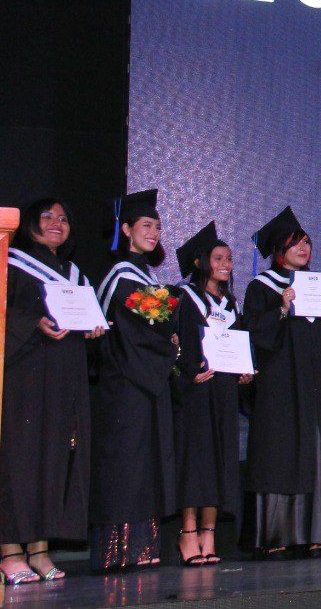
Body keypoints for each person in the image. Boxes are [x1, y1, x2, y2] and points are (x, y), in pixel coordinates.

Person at [1, 199, 103, 584]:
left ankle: (40, 550)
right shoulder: (11, 263)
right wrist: (34, 323)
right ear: (30, 223)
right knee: (20, 462)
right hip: (24, 380)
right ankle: (10, 551)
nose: (56, 223)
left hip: (63, 381)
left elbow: (83, 325)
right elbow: (3, 313)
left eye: (63, 218)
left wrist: (93, 329)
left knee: (53, 461)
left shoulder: (74, 274)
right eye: (47, 217)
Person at [241, 206, 321, 559]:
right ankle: (276, 534)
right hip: (281, 386)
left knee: (317, 451)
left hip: (318, 385)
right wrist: (282, 308)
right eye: (295, 243)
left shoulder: (319, 286)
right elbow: (254, 334)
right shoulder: (262, 287)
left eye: (307, 242)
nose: (304, 248)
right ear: (279, 249)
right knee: (282, 453)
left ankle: (317, 533)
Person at [89, 188, 177, 571]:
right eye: (145, 225)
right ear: (125, 229)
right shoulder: (120, 275)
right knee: (125, 461)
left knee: (145, 460)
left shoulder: (145, 275)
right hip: (125, 383)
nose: (153, 232)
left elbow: (156, 323)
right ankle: (117, 550)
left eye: (157, 226)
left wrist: (168, 335)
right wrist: (169, 342)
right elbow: (136, 331)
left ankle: (142, 547)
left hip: (145, 381)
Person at [171, 222, 252, 566]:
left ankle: (210, 533)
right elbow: (174, 345)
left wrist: (245, 370)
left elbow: (239, 344)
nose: (226, 264)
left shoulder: (231, 303)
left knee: (220, 461)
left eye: (229, 259)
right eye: (218, 258)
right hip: (197, 391)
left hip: (223, 393)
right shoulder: (183, 298)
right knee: (196, 462)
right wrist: (187, 370)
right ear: (199, 262)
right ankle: (188, 532)